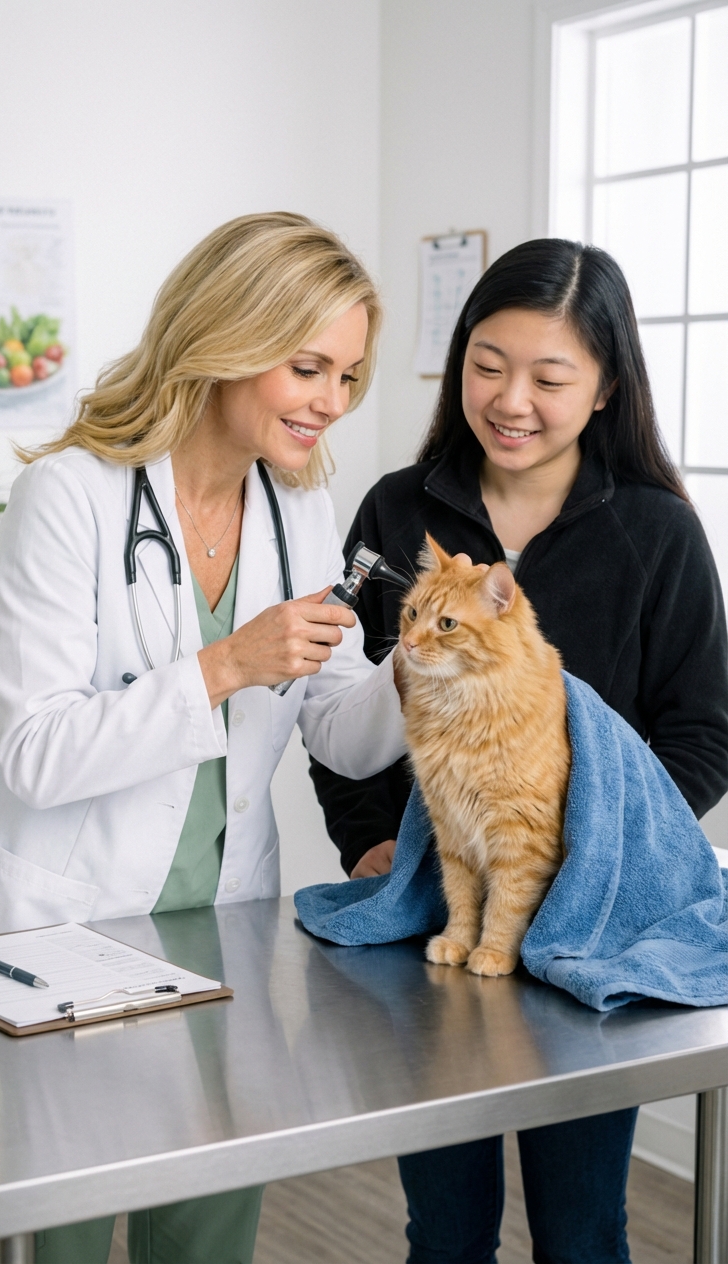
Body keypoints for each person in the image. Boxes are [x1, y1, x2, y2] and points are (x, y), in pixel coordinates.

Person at [0, 211, 406, 1264]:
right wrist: (226, 662)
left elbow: (341, 730)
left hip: (217, 933)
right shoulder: (71, 496)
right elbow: (35, 753)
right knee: (61, 1232)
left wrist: (424, 667)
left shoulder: (300, 510)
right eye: (307, 366)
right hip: (57, 934)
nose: (330, 401)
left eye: (348, 375)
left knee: (205, 1229)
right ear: (226, 337)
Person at [310, 238, 728, 1264]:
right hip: (431, 920)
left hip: (592, 933)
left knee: (582, 1231)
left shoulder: (658, 532)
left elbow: (704, 729)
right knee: (441, 1230)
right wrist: (367, 843)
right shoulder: (391, 513)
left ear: (602, 389)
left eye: (549, 377)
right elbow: (331, 707)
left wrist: (596, 851)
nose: (510, 400)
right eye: (486, 364)